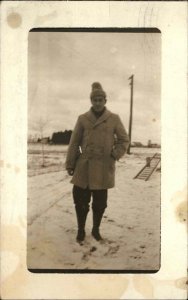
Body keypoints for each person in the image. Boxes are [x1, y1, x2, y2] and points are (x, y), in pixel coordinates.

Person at [65, 82, 129, 243]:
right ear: (91, 101)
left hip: (103, 167)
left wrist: (114, 154)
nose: (98, 102)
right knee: (80, 201)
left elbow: (124, 140)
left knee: (100, 204)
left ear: (105, 101)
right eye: (95, 100)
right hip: (84, 167)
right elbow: (74, 142)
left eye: (101, 99)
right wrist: (70, 163)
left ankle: (95, 229)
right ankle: (80, 229)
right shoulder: (83, 119)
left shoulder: (114, 119)